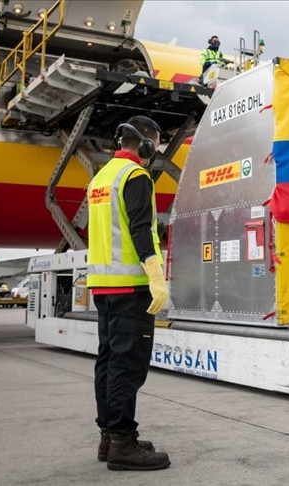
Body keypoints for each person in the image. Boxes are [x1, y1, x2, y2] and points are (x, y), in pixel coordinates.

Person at [87, 115, 171, 471]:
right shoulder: (135, 176)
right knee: (128, 365)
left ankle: (110, 437)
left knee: (108, 363)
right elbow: (140, 229)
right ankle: (123, 444)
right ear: (147, 144)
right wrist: (156, 276)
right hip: (130, 288)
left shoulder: (100, 178)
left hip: (103, 287)